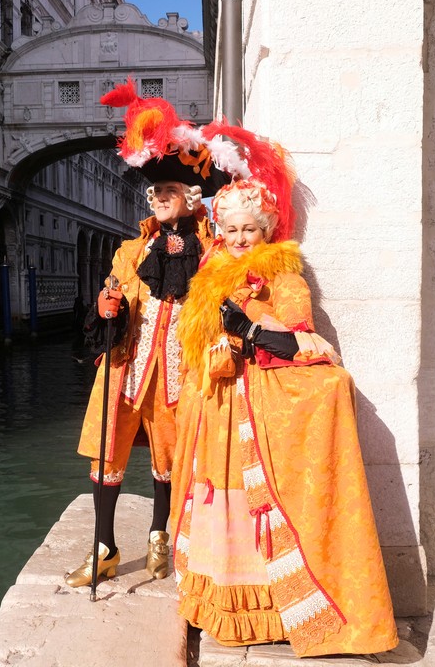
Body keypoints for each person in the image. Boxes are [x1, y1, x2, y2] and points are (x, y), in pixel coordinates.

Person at [169, 124, 399, 657]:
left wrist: (249, 331)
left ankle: (275, 610)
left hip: (257, 406)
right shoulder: (210, 274)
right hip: (217, 406)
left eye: (250, 229)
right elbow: (195, 337)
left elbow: (301, 343)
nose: (240, 239)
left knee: (261, 501)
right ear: (219, 230)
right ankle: (222, 599)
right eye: (231, 230)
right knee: (222, 497)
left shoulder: (284, 277)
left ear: (267, 228)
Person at [64, 80, 228, 588]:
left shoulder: (211, 251)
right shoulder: (131, 252)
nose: (158, 198)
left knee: (171, 453)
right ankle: (104, 545)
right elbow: (112, 299)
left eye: (169, 191)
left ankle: (161, 534)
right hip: (126, 366)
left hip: (181, 369)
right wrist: (105, 308)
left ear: (190, 196)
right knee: (107, 450)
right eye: (154, 191)